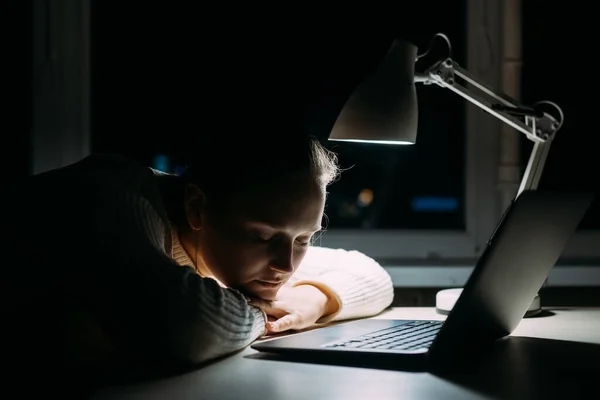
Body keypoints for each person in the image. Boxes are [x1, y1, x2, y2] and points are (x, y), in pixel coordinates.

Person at [1, 133, 393, 383]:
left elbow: (370, 274)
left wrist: (314, 298)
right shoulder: (110, 200)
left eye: (305, 239)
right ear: (197, 209)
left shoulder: (235, 239)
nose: (286, 266)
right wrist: (261, 312)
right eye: (262, 236)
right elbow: (187, 326)